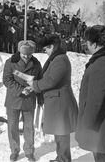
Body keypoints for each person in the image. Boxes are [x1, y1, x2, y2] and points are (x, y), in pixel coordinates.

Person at [27, 34, 78, 162]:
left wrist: (36, 85)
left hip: (60, 103)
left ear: (52, 47)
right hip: (57, 102)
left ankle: (64, 159)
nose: (46, 52)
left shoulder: (60, 59)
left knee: (62, 134)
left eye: (46, 49)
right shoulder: (57, 58)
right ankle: (61, 158)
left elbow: (52, 80)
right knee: (59, 134)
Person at [75, 25, 105, 162]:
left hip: (100, 124)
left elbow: (95, 100)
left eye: (88, 43)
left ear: (95, 44)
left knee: (104, 157)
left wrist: (87, 126)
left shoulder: (101, 63)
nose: (87, 46)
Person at [3, 40, 43, 162]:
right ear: (19, 51)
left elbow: (40, 81)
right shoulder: (10, 62)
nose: (26, 56)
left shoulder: (36, 64)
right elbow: (7, 80)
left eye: (29, 55)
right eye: (24, 54)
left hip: (29, 100)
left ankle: (29, 152)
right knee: (12, 127)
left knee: (29, 128)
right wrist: (21, 90)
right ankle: (14, 151)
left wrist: (40, 99)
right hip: (14, 99)